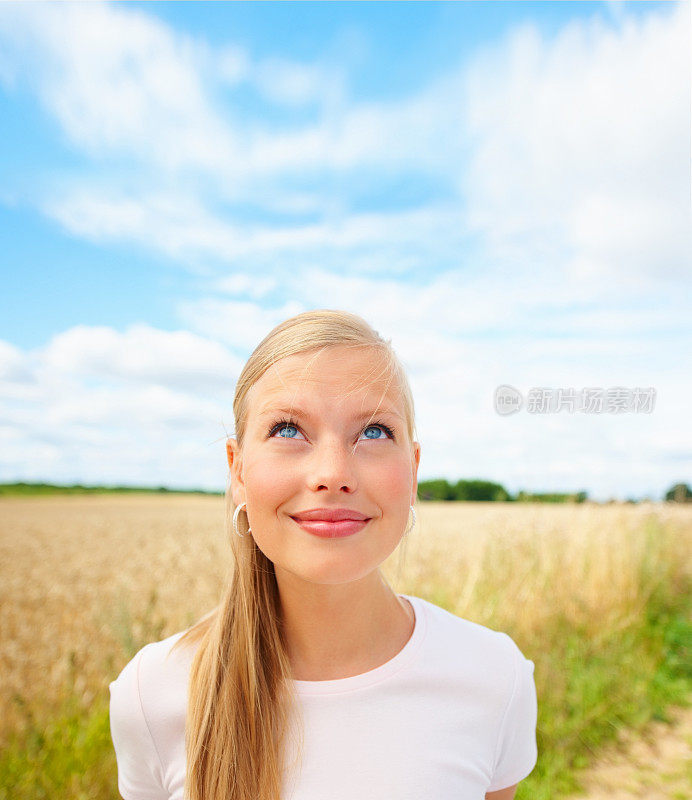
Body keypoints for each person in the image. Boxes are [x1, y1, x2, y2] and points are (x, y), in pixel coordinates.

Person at [109, 308, 538, 800]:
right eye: (288, 430)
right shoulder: (151, 693)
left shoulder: (493, 677)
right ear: (238, 470)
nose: (333, 473)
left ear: (413, 471)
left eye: (374, 431)